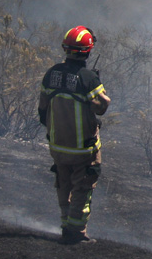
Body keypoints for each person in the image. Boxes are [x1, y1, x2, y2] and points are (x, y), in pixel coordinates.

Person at [38, 26, 110, 245]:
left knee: (63, 184)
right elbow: (101, 108)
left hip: (58, 147)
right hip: (83, 149)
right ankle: (76, 232)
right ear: (88, 51)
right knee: (82, 187)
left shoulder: (51, 74)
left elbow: (42, 111)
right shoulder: (88, 80)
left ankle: (65, 225)